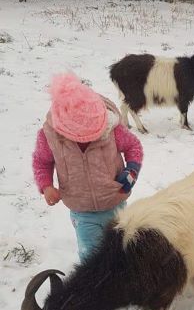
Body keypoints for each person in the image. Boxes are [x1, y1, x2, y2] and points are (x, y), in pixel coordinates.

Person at [32, 73, 143, 262]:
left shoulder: (111, 127)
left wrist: (131, 170)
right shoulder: (50, 136)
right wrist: (46, 185)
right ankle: (95, 285)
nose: (91, 140)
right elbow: (42, 161)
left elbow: (134, 147)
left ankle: (121, 279)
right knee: (91, 256)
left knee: (120, 248)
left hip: (115, 202)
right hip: (82, 212)